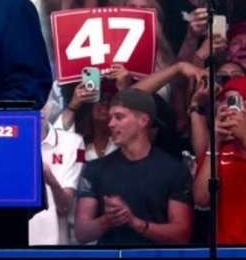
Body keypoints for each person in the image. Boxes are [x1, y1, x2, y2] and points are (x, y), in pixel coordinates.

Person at [74, 89, 193, 245]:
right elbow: (82, 233)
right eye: (110, 118)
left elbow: (182, 234)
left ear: (143, 121)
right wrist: (109, 219)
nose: (110, 124)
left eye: (119, 117)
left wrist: (135, 222)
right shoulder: (95, 169)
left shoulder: (174, 170)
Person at [192, 77, 246, 244]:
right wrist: (215, 143)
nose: (232, 109)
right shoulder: (218, 150)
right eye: (227, 101)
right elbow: (201, 200)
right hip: (225, 248)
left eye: (237, 101)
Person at [29, 99, 86, 245]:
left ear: (49, 107)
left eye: (42, 103)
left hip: (53, 246)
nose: (37, 110)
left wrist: (49, 178)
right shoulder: (4, 141)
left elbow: (65, 207)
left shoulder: (75, 144)